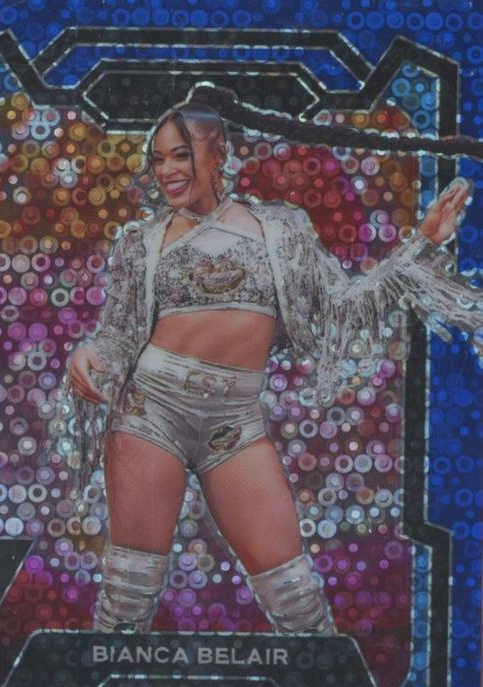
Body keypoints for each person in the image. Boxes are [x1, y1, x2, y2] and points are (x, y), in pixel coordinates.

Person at [58, 102, 481, 636]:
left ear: (219, 154)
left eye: (181, 155)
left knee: (296, 597)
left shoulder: (281, 230)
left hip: (234, 423)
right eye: (159, 159)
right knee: (127, 596)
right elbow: (118, 336)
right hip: (150, 412)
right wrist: (90, 354)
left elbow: (343, 308)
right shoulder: (140, 243)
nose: (168, 171)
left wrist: (422, 243)